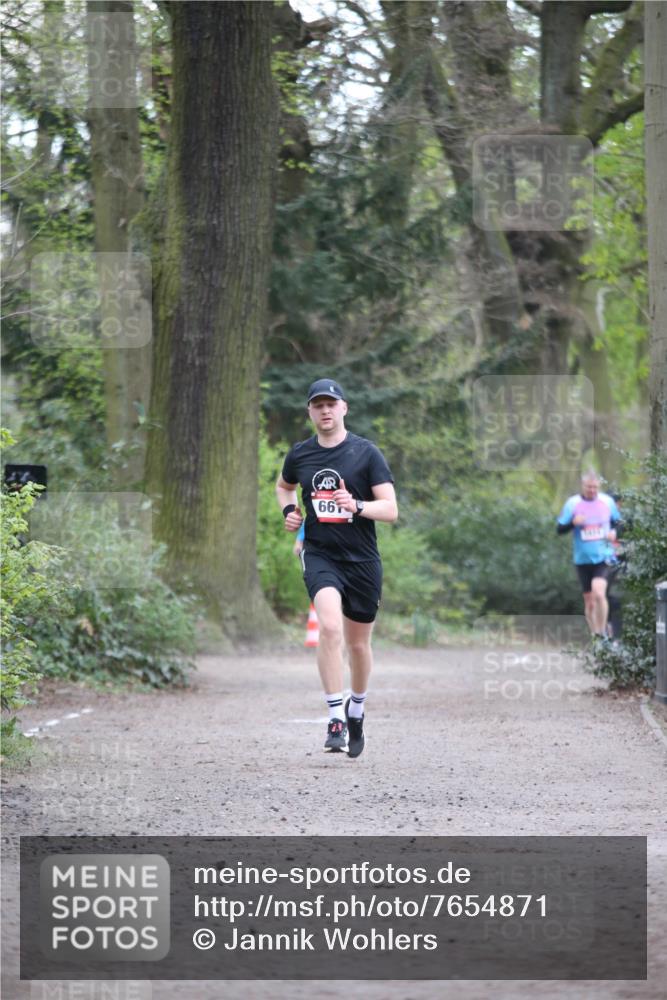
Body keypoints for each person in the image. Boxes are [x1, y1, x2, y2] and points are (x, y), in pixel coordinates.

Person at [276, 378, 398, 757]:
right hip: (320, 553)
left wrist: (357, 505)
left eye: (331, 404)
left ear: (344, 408)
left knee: (359, 644)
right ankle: (335, 716)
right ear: (310, 412)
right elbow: (284, 486)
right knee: (329, 627)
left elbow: (391, 510)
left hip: (361, 559)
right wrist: (290, 511)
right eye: (318, 405)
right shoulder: (300, 454)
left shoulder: (366, 454)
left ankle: (356, 708)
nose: (325, 411)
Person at [557, 472, 621, 640]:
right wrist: (573, 523)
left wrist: (614, 532)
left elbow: (619, 523)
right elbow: (559, 529)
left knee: (599, 592)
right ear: (583, 486)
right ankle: (595, 635)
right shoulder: (573, 504)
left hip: (604, 556)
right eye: (589, 487)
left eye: (595, 487)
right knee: (590, 601)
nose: (592, 490)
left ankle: (602, 634)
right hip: (583, 559)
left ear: (598, 486)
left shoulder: (607, 502)